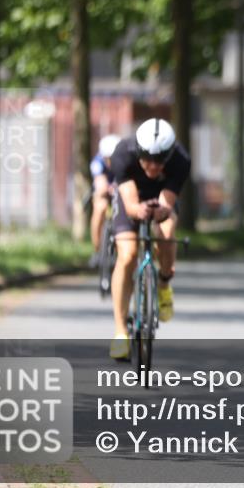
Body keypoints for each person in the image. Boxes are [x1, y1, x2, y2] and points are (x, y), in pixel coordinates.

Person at [107, 118, 191, 360]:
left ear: (168, 156)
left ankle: (164, 284)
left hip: (159, 198)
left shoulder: (180, 159)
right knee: (128, 254)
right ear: (138, 152)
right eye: (147, 160)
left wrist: (161, 212)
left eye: (159, 162)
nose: (153, 167)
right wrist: (137, 210)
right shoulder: (123, 153)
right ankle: (120, 332)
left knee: (166, 231)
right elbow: (130, 203)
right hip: (130, 198)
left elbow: (167, 203)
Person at [89, 134, 122, 266]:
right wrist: (107, 188)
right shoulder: (97, 163)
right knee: (100, 208)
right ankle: (97, 250)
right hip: (105, 192)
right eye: (107, 158)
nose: (110, 161)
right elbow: (100, 183)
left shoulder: (124, 161)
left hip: (120, 192)